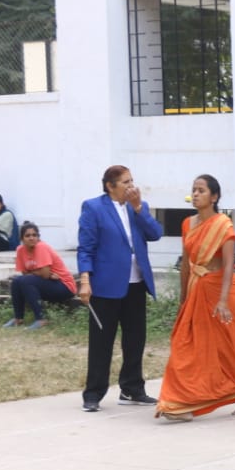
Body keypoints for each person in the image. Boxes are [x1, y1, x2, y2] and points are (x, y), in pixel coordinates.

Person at [155, 175, 235, 422]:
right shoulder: (188, 224)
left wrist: (222, 301)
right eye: (193, 190)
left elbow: (230, 264)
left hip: (223, 292)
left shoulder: (223, 225)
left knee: (231, 349)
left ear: (214, 196)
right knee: (186, 345)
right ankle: (180, 401)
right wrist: (182, 299)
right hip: (196, 290)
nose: (196, 194)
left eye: (201, 190)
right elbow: (187, 265)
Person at [76, 165, 162, 412]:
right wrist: (85, 280)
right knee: (102, 341)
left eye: (132, 181)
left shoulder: (139, 207)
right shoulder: (93, 207)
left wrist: (138, 209)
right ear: (110, 186)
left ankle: (132, 388)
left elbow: (155, 234)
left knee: (135, 339)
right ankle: (93, 393)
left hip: (136, 283)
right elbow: (86, 247)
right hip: (105, 285)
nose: (131, 186)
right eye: (125, 182)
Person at [6, 222, 75, 329]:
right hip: (48, 282)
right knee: (16, 281)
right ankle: (18, 318)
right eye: (27, 236)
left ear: (38, 237)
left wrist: (36, 273)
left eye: (34, 235)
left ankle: (41, 319)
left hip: (64, 286)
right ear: (22, 238)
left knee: (25, 280)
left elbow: (45, 275)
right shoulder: (20, 250)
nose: (31, 238)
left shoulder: (41, 247)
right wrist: (39, 272)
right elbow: (26, 274)